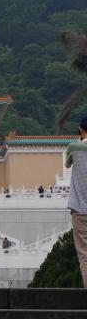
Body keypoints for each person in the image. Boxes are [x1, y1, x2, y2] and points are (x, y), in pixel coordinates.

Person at [65, 116, 87, 288]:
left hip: (80, 208)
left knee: (84, 254)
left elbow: (67, 164)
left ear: (80, 128)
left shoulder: (74, 147)